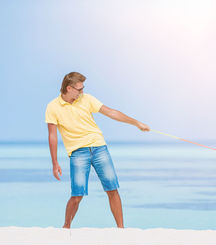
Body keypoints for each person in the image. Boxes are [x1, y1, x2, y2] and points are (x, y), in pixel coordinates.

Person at [45, 72, 150, 228]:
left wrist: (136, 123)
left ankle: (121, 229)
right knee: (77, 195)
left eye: (82, 88)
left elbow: (111, 112)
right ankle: (66, 227)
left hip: (99, 147)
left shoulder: (87, 99)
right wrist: (55, 163)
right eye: (79, 89)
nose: (82, 92)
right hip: (78, 152)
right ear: (69, 88)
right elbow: (52, 136)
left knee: (112, 189)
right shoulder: (53, 107)